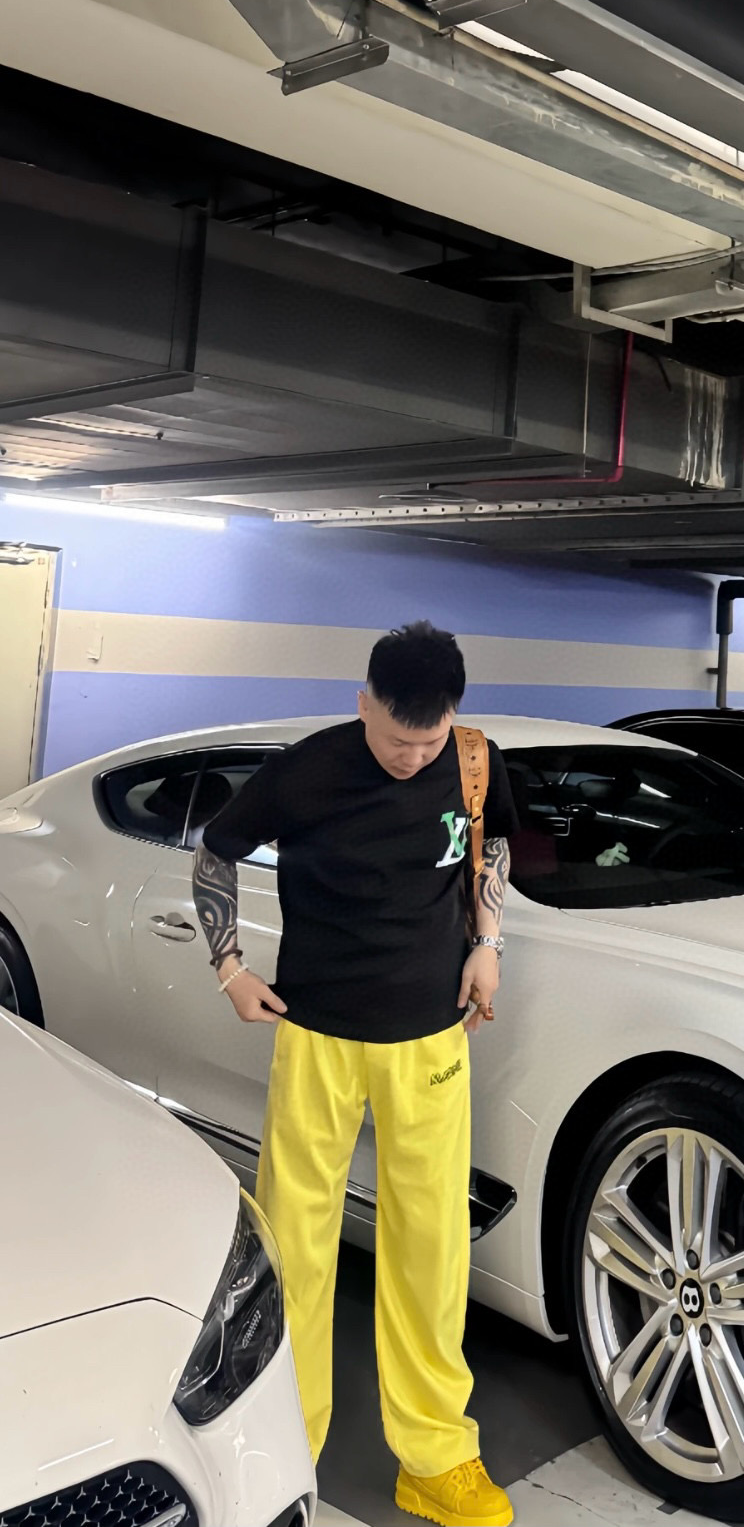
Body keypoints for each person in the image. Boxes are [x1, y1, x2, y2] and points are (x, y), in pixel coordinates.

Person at [193, 623, 519, 1527]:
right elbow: (216, 851)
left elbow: (494, 843)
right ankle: (286, 1444)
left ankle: (436, 1455)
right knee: (296, 1244)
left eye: (428, 739)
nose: (412, 758)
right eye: (395, 738)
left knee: (431, 1249)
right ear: (365, 702)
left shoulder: (474, 760)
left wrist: (488, 942)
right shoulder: (307, 770)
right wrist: (229, 968)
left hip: (431, 1040)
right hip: (317, 1034)